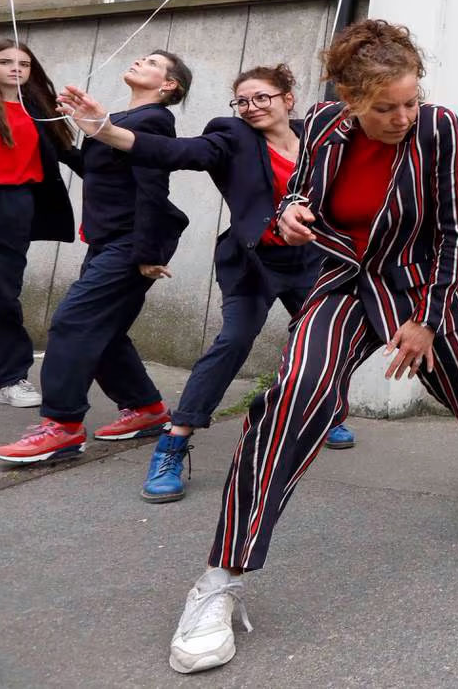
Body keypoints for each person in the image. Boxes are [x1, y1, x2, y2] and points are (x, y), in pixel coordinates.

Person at [164, 20, 458, 675]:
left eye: (410, 101)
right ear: (350, 99)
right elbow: (307, 189)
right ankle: (220, 579)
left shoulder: (438, 129)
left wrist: (429, 321)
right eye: (386, 107)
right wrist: (293, 209)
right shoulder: (326, 122)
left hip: (421, 291)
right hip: (344, 284)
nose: (403, 116)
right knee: (295, 396)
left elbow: (456, 230)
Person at [57, 63, 359, 503]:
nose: (251, 107)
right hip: (254, 263)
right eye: (243, 100)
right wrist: (104, 129)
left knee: (329, 341)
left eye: (262, 98)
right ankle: (173, 444)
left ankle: (325, 410)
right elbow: (173, 152)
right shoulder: (231, 137)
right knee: (233, 342)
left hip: (310, 260)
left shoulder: (316, 134)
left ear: (287, 99)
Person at [0, 51, 192, 464]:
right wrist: (62, 135)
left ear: (168, 84)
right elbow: (99, 171)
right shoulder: (119, 118)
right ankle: (146, 409)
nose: (140, 60)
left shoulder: (154, 121)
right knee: (106, 330)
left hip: (132, 242)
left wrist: (148, 252)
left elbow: (153, 189)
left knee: (73, 322)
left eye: (153, 61)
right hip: (110, 240)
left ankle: (63, 427)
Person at [0, 39, 79, 408]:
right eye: (5, 61)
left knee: (2, 298)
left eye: (24, 63)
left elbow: (70, 155)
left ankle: (12, 379)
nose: (17, 68)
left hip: (9, 209)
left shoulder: (40, 109)